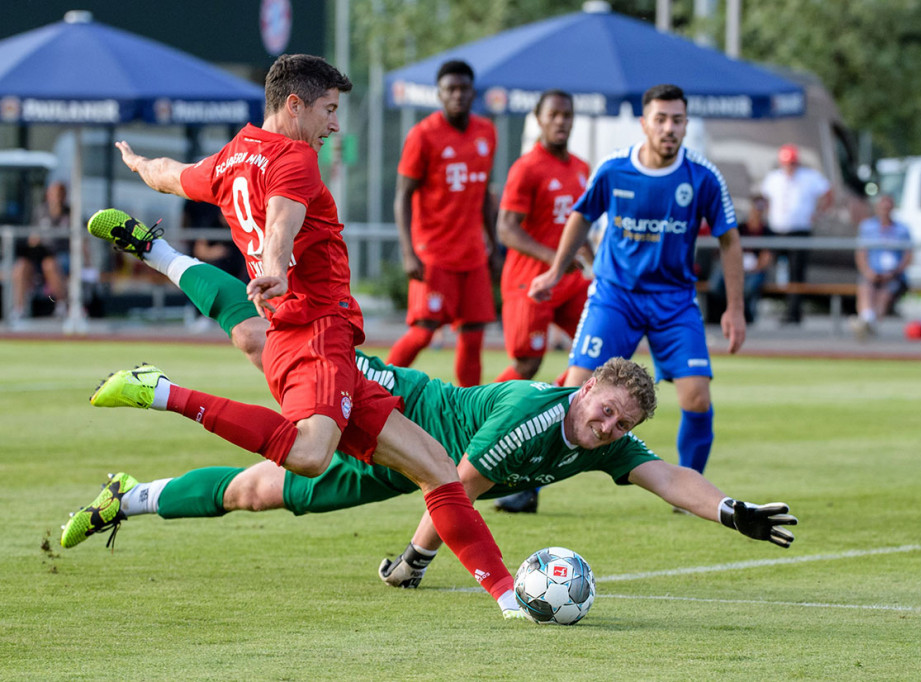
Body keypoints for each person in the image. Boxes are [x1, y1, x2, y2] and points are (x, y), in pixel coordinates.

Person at [85, 53, 518, 618]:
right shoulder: (294, 158)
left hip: (307, 333)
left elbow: (172, 175)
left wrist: (139, 163)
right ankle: (164, 392)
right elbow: (282, 220)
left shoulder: (233, 155)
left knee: (437, 466)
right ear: (295, 105)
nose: (334, 125)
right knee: (311, 455)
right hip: (315, 332)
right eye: (329, 110)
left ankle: (511, 598)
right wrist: (276, 267)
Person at [62, 349, 799, 589]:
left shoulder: (605, 445)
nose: (608, 428)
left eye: (621, 425)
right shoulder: (533, 414)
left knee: (258, 493)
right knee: (269, 348)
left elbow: (668, 477)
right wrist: (414, 562)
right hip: (393, 405)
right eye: (605, 410)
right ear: (583, 390)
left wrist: (730, 510)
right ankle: (164, 268)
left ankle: (130, 497)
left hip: (403, 466)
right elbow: (456, 487)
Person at [528, 84, 746, 485]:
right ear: (644, 124)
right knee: (575, 392)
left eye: (677, 120)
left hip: (674, 302)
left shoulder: (703, 177)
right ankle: (529, 484)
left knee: (697, 397)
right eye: (660, 120)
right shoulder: (614, 169)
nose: (669, 128)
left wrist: (735, 308)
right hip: (616, 297)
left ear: (686, 125)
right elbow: (581, 216)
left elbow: (729, 240)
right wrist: (556, 270)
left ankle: (690, 489)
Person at [388, 60, 501, 387]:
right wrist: (409, 252)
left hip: (473, 254)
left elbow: (484, 194)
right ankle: (374, 388)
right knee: (423, 331)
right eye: (450, 89)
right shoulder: (423, 135)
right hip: (434, 252)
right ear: (439, 94)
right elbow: (402, 196)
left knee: (473, 335)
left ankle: (469, 407)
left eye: (463, 88)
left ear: (473, 92)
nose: (457, 95)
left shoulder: (486, 132)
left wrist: (493, 246)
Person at [494, 89, 591, 383]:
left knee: (599, 348)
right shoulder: (527, 168)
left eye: (567, 115)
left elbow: (580, 224)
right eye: (553, 115)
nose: (561, 121)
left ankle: (557, 400)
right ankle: (475, 407)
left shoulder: (581, 168)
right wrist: (555, 259)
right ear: (539, 119)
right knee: (527, 364)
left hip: (569, 281)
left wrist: (598, 266)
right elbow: (506, 229)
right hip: (531, 281)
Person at [758, 144, 833, 324]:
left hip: (799, 230)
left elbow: (828, 192)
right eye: (787, 163)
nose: (789, 167)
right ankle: (755, 307)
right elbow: (762, 198)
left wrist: (818, 214)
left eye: (792, 163)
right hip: (777, 230)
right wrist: (766, 214)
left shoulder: (809, 177)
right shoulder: (774, 178)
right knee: (765, 265)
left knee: (796, 273)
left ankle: (793, 312)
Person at [853, 194, 913, 339]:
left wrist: (894, 273)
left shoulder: (902, 229)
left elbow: (908, 256)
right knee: (866, 288)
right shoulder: (867, 227)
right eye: (882, 207)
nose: (885, 210)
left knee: (884, 294)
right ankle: (868, 321)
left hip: (893, 275)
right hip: (872, 273)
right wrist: (868, 272)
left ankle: (868, 324)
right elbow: (861, 254)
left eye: (888, 207)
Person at [707, 194, 774, 324]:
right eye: (756, 206)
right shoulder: (740, 228)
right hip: (735, 266)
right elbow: (727, 251)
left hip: (754, 270)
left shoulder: (767, 232)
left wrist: (753, 268)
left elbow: (766, 257)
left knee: (748, 286)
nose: (758, 211)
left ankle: (745, 316)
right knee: (716, 283)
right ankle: (719, 315)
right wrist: (735, 267)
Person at [11, 180, 69, 321]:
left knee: (49, 265)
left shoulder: (70, 213)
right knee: (21, 267)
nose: (56, 197)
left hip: (61, 256)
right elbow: (33, 236)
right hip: (40, 255)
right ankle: (19, 309)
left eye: (59, 194)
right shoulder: (40, 211)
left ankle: (62, 305)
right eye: (53, 194)